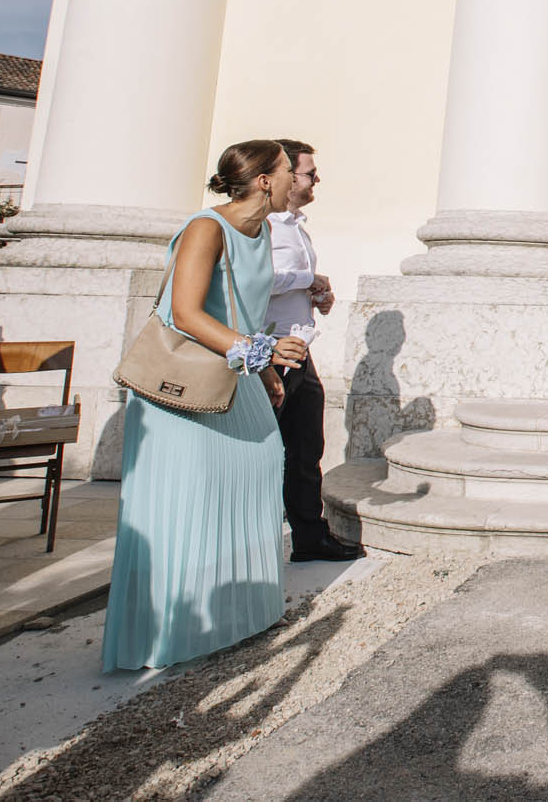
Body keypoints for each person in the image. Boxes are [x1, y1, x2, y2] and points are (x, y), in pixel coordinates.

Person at [102, 140, 309, 673]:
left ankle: (238, 615)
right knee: (187, 499)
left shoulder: (262, 232)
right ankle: (173, 631)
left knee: (261, 467)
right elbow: (187, 314)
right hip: (183, 392)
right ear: (265, 179)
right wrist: (260, 353)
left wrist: (263, 369)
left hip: (237, 376)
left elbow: (249, 312)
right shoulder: (205, 227)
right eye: (289, 171)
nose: (296, 181)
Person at [265, 139, 362, 564]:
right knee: (271, 450)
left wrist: (315, 294)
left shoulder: (296, 227)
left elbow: (289, 283)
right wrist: (307, 279)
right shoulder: (260, 226)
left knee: (307, 447)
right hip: (269, 352)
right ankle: (263, 535)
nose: (314, 179)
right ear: (280, 176)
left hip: (301, 347)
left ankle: (309, 535)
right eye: (307, 172)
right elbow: (256, 280)